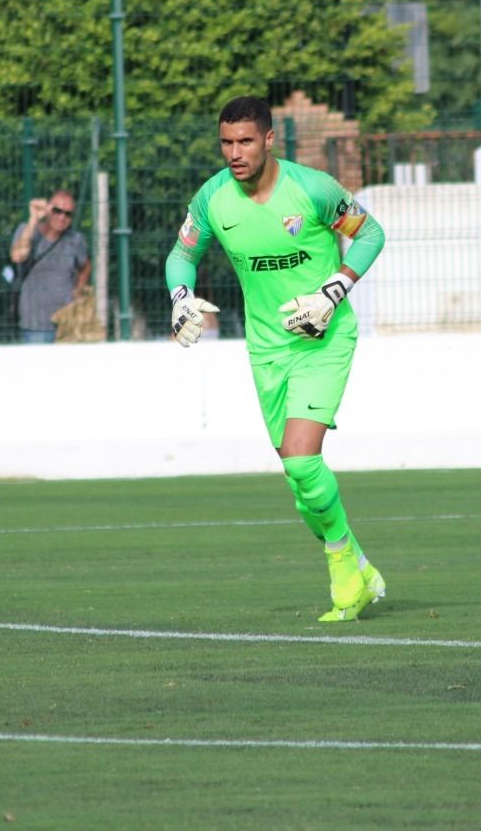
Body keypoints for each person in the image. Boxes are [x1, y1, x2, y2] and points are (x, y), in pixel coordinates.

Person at [165, 95, 389, 623]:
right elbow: (182, 254)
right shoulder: (213, 199)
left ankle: (344, 576)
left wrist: (334, 290)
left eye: (245, 141)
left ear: (269, 139)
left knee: (304, 461)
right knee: (299, 481)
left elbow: (370, 234)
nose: (235, 153)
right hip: (266, 349)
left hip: (322, 340)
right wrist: (180, 297)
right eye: (226, 143)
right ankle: (361, 566)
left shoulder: (313, 189)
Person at [9, 188, 91, 344]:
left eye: (68, 214)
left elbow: (85, 266)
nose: (62, 217)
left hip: (67, 322)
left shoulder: (75, 239)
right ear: (48, 210)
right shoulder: (27, 231)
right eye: (57, 211)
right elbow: (18, 256)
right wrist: (33, 219)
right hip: (35, 324)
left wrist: (79, 289)